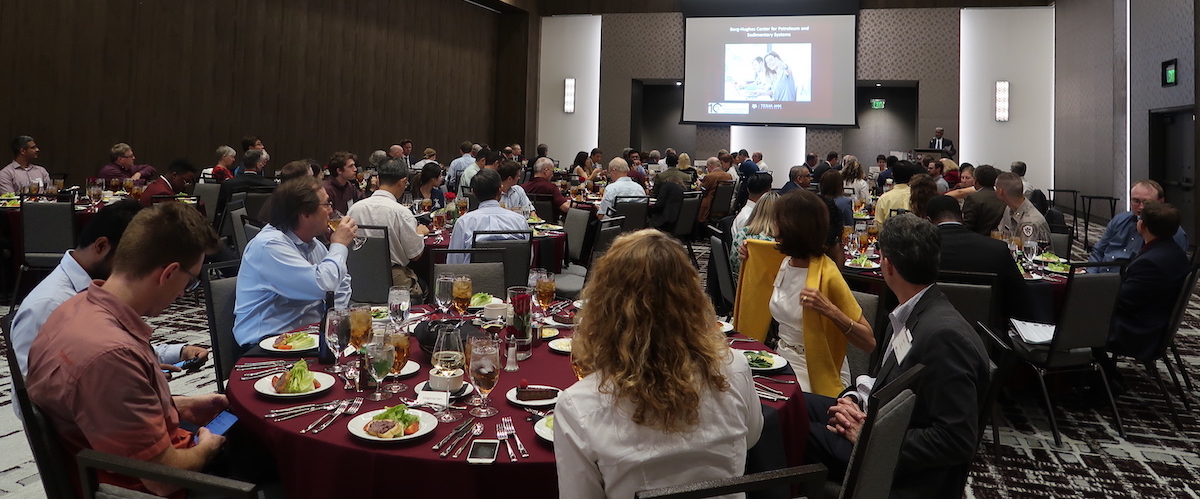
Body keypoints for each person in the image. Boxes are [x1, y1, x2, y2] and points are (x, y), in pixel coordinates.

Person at [26, 202, 227, 496]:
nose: (184, 292)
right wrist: (208, 448)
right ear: (168, 273)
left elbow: (101, 411)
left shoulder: (73, 308)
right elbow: (163, 479)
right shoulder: (111, 354)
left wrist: (179, 405)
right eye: (190, 280)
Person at [556, 229, 763, 499]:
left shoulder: (578, 406)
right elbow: (751, 439)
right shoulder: (734, 367)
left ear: (603, 306)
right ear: (692, 297)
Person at [804, 214, 988, 497]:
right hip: (874, 419)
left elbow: (956, 440)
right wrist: (853, 399)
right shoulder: (913, 311)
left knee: (785, 427)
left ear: (887, 265)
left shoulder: (944, 337)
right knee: (794, 402)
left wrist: (869, 435)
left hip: (892, 463)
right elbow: (882, 380)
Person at [11, 200, 207, 376]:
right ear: (101, 246)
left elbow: (120, 349)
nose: (138, 269)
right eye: (129, 256)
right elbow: (30, 402)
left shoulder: (105, 290)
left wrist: (177, 353)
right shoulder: (49, 305)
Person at [745, 190, 875, 397]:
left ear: (790, 226)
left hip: (816, 368)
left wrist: (831, 311)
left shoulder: (827, 273)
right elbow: (759, 258)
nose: (772, 225)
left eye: (776, 219)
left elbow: (869, 342)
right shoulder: (784, 261)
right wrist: (748, 254)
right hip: (780, 360)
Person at [234, 177, 356, 348]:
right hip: (267, 344)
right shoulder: (269, 246)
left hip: (308, 338)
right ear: (305, 213)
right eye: (326, 204)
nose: (331, 210)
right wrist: (339, 244)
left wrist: (334, 322)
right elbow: (324, 285)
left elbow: (342, 283)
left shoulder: (312, 244)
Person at [1106, 201, 1190, 369]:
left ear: (1142, 225)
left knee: (1073, 319)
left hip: (1137, 332)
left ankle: (1095, 377)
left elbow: (1122, 303)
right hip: (1152, 321)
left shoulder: (1150, 263)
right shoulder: (1175, 253)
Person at [927, 195, 1030, 328]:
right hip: (988, 338)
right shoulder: (996, 249)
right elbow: (1020, 299)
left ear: (928, 221)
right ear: (962, 218)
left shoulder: (919, 250)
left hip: (928, 334)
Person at [348, 159, 430, 298]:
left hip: (358, 279)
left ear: (378, 180)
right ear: (403, 181)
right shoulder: (401, 212)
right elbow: (415, 255)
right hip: (394, 281)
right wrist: (420, 233)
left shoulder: (354, 209)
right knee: (426, 287)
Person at [1089, 180, 1189, 272]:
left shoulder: (1170, 231)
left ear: (1160, 202)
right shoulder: (1120, 220)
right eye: (1136, 201)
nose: (1141, 207)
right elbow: (1098, 251)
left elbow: (1171, 268)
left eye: (1146, 202)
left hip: (1132, 281)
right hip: (1100, 278)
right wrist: (1091, 275)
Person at [447, 169, 529, 263]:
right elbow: (527, 259)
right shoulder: (520, 221)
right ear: (500, 191)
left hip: (474, 276)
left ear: (473, 193)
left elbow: (454, 262)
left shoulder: (464, 222)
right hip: (513, 276)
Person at [729, 191, 779, 282]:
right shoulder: (775, 242)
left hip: (739, 286)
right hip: (764, 289)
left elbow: (733, 264)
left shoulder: (742, 233)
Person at [216, 149, 275, 219]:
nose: (262, 165)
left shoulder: (227, 184)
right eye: (261, 163)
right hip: (261, 224)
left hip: (234, 223)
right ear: (257, 165)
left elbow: (221, 209)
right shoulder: (271, 185)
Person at [995, 172, 1050, 244]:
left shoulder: (1030, 222)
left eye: (995, 188)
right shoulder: (1009, 209)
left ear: (1000, 191)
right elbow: (1001, 234)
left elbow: (1027, 252)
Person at [961, 164, 1006, 235]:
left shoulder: (973, 198)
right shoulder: (1003, 198)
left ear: (975, 180)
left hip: (977, 240)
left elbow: (968, 225)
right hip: (998, 239)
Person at [875, 160, 917, 225]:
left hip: (888, 234)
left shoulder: (883, 198)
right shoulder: (918, 196)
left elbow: (879, 225)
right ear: (912, 176)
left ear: (892, 175)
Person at [698, 156, 734, 221]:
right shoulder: (728, 176)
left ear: (709, 166)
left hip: (708, 208)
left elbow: (701, 191)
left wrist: (699, 184)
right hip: (724, 208)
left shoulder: (709, 176)